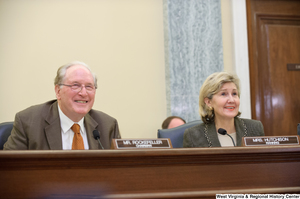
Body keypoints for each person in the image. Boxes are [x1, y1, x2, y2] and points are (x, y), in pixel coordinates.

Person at [4, 61, 121, 150]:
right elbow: (9, 171)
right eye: (75, 85)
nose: (83, 93)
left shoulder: (108, 126)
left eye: (89, 86)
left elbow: (120, 172)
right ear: (58, 91)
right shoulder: (28, 122)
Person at [183, 72, 264, 147]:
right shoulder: (193, 135)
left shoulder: (255, 129)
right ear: (208, 102)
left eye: (234, 94)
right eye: (223, 94)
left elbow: (263, 161)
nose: (231, 100)